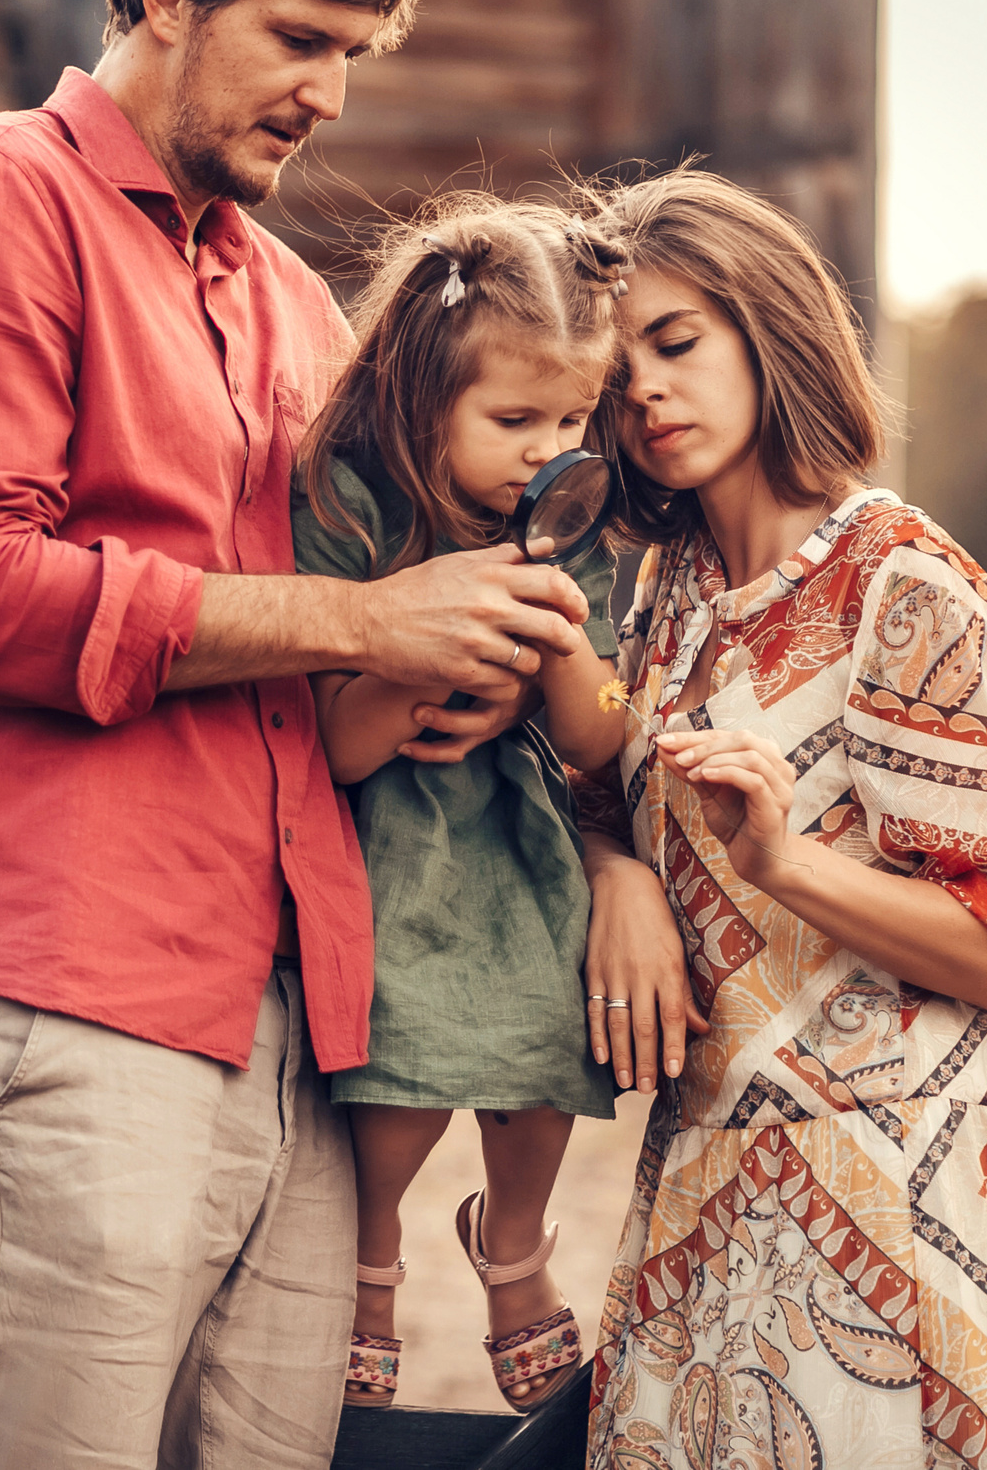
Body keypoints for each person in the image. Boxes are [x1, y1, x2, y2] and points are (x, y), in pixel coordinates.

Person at [0, 0, 595, 1470]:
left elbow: (374, 605)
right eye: (299, 38)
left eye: (354, 55)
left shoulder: (292, 299)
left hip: (302, 1020)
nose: (326, 92)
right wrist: (361, 620)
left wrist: (447, 678)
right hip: (65, 981)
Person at [565, 170, 987, 1468]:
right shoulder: (664, 594)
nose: (648, 393)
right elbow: (602, 783)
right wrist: (616, 863)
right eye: (618, 374)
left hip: (889, 1212)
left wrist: (779, 858)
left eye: (677, 343)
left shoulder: (898, 581)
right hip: (703, 1205)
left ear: (767, 324)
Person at [288, 196, 630, 1416]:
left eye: (573, 417)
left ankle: (515, 1241)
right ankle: (370, 1259)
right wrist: (414, 654)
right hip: (393, 839)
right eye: (513, 418)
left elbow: (597, 736)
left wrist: (558, 653)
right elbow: (335, 746)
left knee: (545, 1039)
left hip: (514, 832)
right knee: (402, 1065)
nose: (549, 447)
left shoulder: (565, 527)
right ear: (421, 394)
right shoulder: (347, 505)